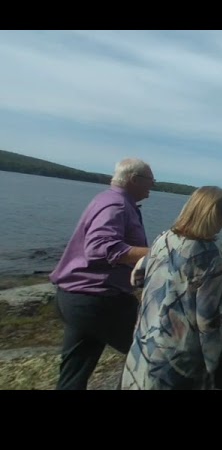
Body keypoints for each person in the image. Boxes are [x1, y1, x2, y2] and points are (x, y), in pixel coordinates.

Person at [50, 157, 154, 390]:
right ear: (135, 180)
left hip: (75, 297)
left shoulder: (107, 199)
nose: (153, 186)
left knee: (75, 370)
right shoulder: (116, 205)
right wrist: (158, 252)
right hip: (99, 300)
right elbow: (100, 247)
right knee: (151, 352)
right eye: (150, 181)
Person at [120, 186, 222, 390]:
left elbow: (137, 278)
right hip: (178, 361)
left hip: (144, 346)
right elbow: (207, 322)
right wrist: (214, 363)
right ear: (210, 216)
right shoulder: (213, 261)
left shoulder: (163, 239)